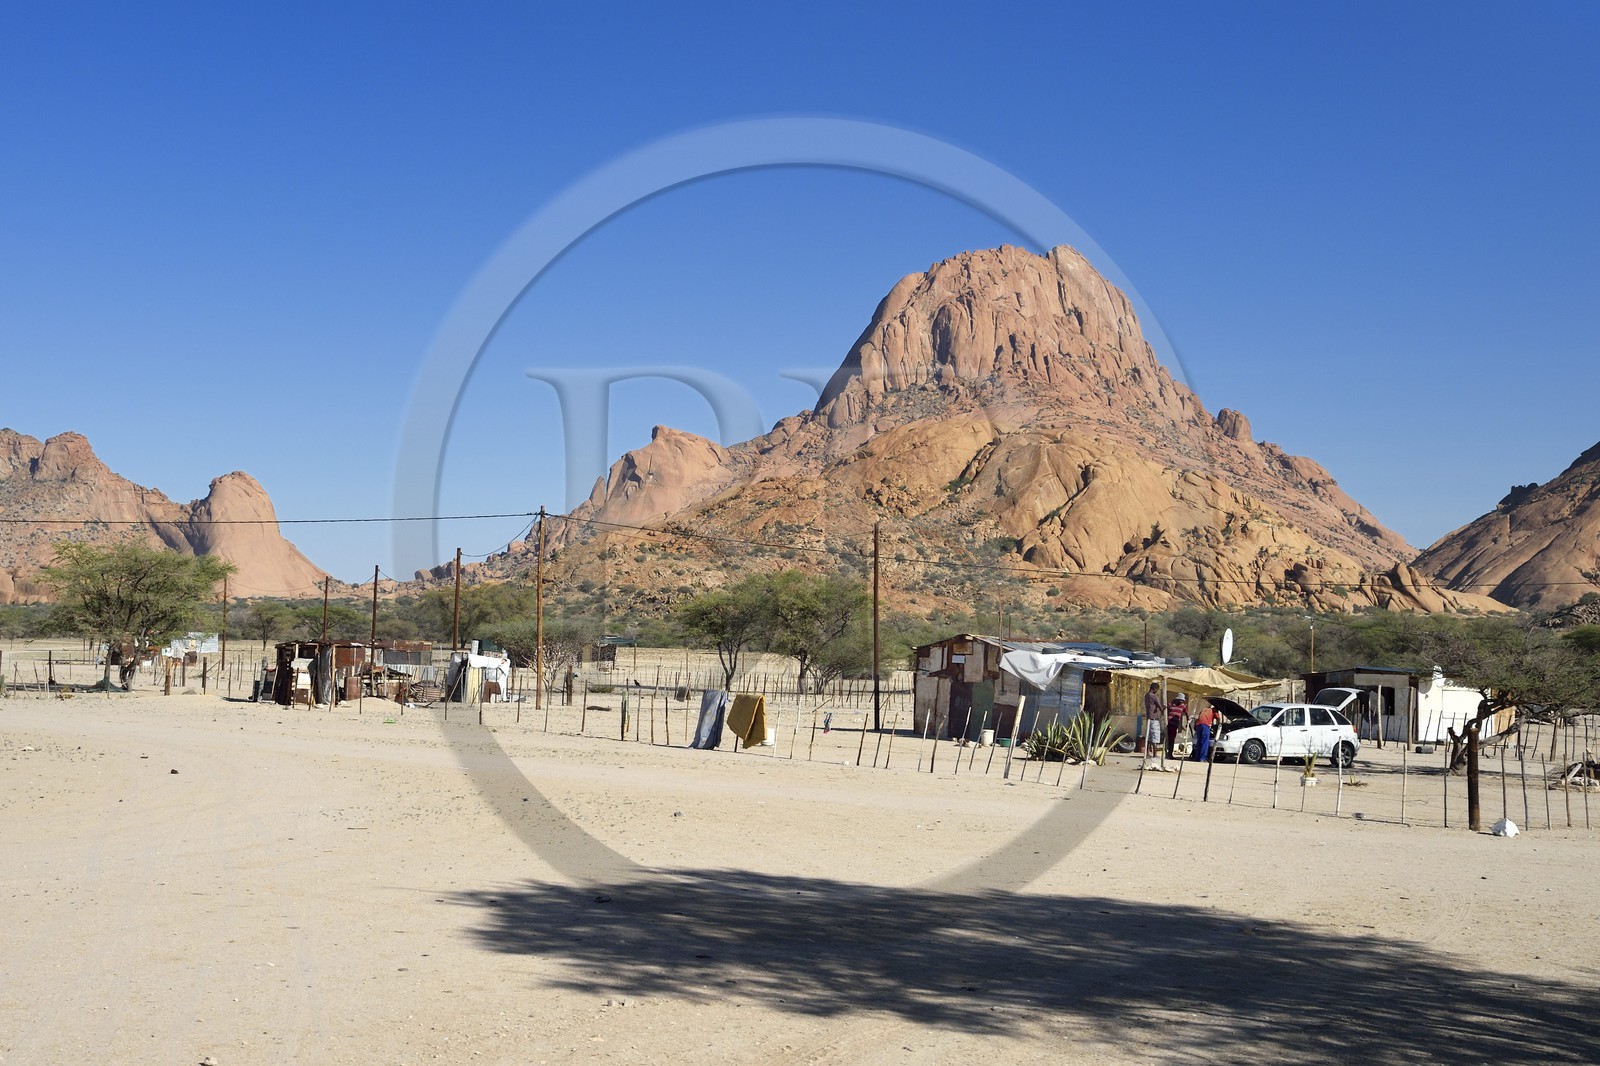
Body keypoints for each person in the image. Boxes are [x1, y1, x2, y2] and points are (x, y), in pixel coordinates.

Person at [1192, 698, 1218, 762]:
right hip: (1205, 725)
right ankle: (1202, 758)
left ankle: (1197, 757)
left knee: (1199, 741)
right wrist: (1219, 726)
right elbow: (1218, 719)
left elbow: (1199, 717)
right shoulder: (1214, 711)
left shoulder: (1204, 709)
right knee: (1205, 742)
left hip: (1198, 725)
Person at [1142, 682, 1164, 756]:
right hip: (1154, 719)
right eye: (1157, 689)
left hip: (1149, 718)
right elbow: (1160, 706)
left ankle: (1147, 753)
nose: (1157, 691)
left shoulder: (1146, 695)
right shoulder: (1154, 696)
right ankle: (1155, 754)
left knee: (1148, 737)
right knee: (1155, 737)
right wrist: (1163, 709)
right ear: (1154, 688)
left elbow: (1152, 706)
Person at [1165, 693, 1188, 760]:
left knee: (1172, 739)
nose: (1181, 702)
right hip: (1169, 724)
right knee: (1167, 739)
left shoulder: (1183, 706)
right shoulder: (1170, 704)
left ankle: (1170, 753)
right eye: (1180, 700)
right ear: (1177, 699)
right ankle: (1167, 753)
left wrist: (1188, 720)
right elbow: (1166, 712)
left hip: (1175, 725)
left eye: (1182, 701)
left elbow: (1186, 712)